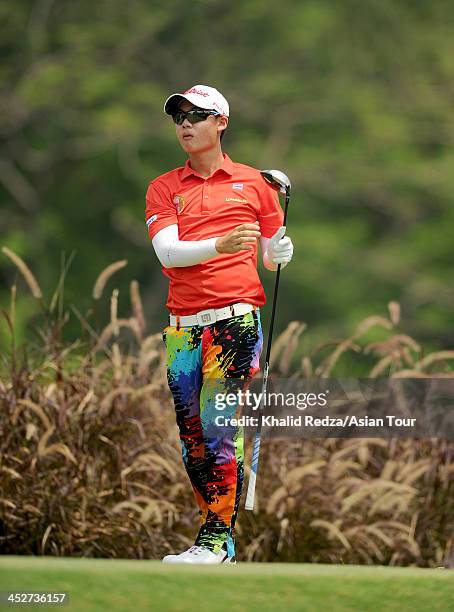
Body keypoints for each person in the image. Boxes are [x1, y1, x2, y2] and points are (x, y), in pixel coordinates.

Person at [145, 85, 294, 564]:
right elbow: (168, 252)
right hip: (182, 328)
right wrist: (223, 245)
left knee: (219, 428)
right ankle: (213, 536)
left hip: (235, 322)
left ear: (221, 122)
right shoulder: (164, 187)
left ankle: (216, 540)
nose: (185, 124)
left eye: (196, 115)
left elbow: (270, 255)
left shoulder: (256, 184)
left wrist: (281, 252)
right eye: (178, 117)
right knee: (192, 439)